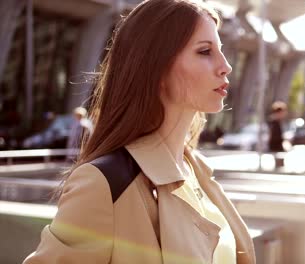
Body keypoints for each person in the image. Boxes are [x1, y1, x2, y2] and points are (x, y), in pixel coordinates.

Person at [23, 1, 255, 264]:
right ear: (156, 68)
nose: (226, 66)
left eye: (221, 51)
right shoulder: (105, 183)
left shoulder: (196, 170)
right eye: (205, 51)